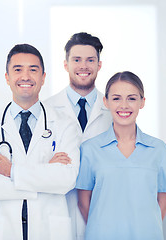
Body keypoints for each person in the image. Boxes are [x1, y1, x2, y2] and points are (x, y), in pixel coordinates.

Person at [0, 44, 81, 240]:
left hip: (49, 229)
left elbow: (66, 179)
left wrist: (12, 171)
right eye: (18, 69)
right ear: (7, 77)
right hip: (3, 229)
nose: (26, 76)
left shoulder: (65, 125)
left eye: (33, 70)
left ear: (43, 77)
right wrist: (45, 175)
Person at [76, 71, 166, 239]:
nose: (124, 105)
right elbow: (83, 203)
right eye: (116, 98)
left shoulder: (159, 150)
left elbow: (163, 203)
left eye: (131, 98)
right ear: (106, 102)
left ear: (142, 102)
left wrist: (143, 229)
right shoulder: (90, 149)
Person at [44, 32, 112, 240]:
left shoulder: (114, 110)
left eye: (90, 60)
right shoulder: (45, 110)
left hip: (102, 205)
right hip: (57, 207)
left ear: (99, 65)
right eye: (77, 60)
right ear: (65, 64)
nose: (84, 66)